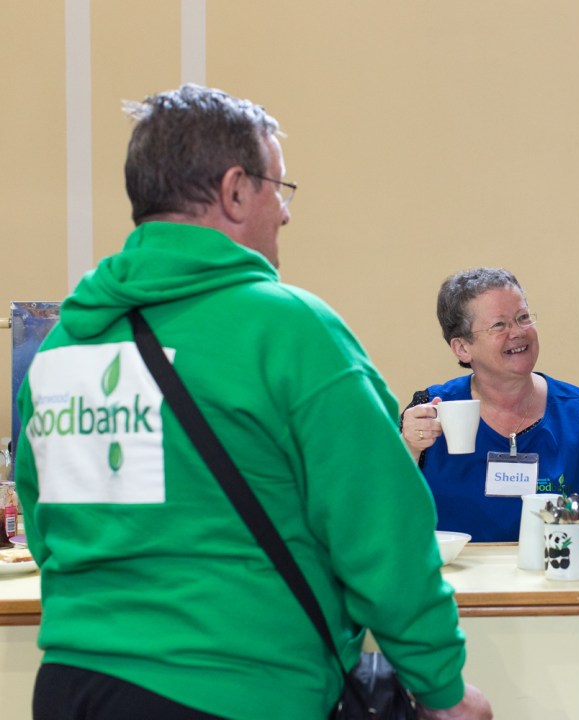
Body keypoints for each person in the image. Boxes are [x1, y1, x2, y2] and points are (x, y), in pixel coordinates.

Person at [14, 84, 492, 720]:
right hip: (239, 689)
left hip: (73, 688)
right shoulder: (290, 331)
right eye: (277, 187)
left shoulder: (63, 345)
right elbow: (382, 531)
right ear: (236, 189)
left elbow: (46, 531)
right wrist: (441, 686)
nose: (285, 212)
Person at [400, 267, 579, 543]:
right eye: (499, 325)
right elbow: (378, 507)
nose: (518, 332)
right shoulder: (429, 409)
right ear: (463, 348)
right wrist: (408, 447)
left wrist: (569, 560)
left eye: (523, 318)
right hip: (455, 581)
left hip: (553, 580)